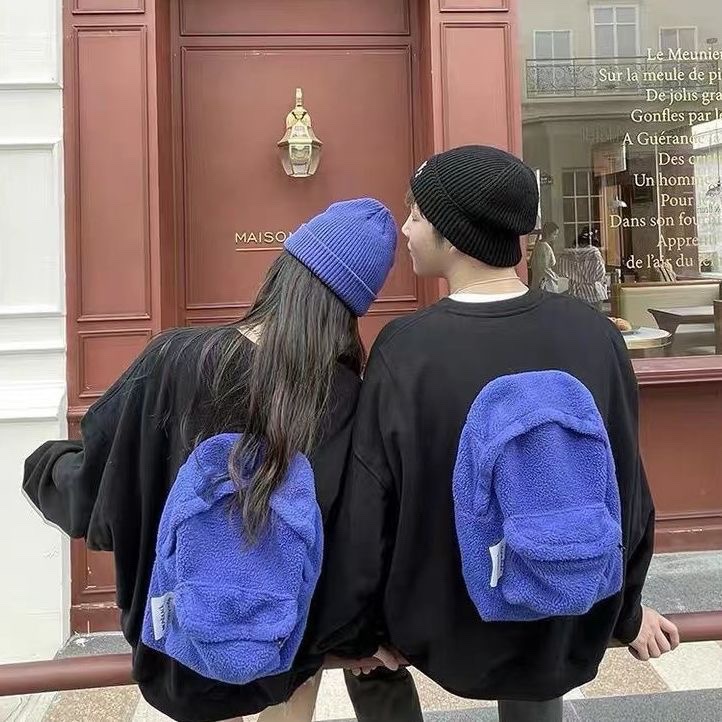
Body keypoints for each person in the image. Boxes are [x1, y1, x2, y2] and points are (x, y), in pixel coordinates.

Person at [313, 146, 680, 722]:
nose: (404, 229)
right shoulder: (593, 334)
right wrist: (626, 609)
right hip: (565, 608)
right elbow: (627, 487)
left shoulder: (406, 349)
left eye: (416, 215)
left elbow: (371, 503)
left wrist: (356, 627)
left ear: (454, 235)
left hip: (443, 619)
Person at [22, 198, 406, 722]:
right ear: (351, 311)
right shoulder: (347, 398)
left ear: (281, 272)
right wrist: (361, 637)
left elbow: (99, 496)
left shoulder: (175, 358)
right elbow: (356, 543)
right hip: (283, 651)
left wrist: (45, 467)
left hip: (175, 646)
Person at [556, 226, 608, 311]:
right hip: (593, 293)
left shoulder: (568, 253)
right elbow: (600, 274)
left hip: (575, 293)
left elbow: (561, 271)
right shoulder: (594, 253)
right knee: (595, 318)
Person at [530, 221, 560, 292]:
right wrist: (554, 277)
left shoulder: (538, 245)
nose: (555, 237)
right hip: (544, 282)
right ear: (548, 234)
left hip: (538, 279)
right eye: (554, 234)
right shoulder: (544, 247)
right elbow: (544, 268)